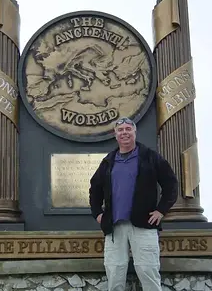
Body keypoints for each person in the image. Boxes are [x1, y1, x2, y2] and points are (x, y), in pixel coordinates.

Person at [89, 117, 178, 291]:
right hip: (114, 227)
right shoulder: (108, 161)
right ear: (115, 135)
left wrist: (161, 210)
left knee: (148, 271)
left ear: (135, 133)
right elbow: (95, 189)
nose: (124, 133)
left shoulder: (150, 157)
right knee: (114, 273)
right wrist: (97, 213)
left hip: (144, 225)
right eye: (120, 130)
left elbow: (171, 184)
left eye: (128, 129)